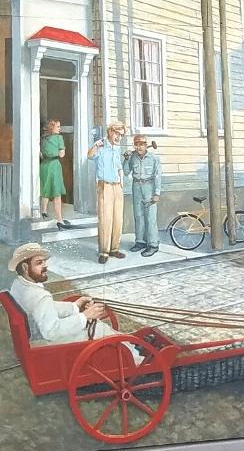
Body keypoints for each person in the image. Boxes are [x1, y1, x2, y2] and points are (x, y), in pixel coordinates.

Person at [8, 243, 143, 364]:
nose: (45, 266)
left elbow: (45, 309)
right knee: (98, 329)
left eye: (44, 261)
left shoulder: (19, 285)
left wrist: (74, 306)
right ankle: (136, 359)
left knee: (94, 325)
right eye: (39, 263)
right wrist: (85, 316)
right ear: (25, 267)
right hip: (46, 344)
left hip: (33, 339)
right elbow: (52, 332)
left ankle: (130, 346)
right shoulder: (39, 296)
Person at [88, 121, 126, 264]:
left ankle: (114, 249)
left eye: (121, 135)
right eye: (117, 134)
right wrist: (95, 145)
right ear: (110, 131)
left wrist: (122, 181)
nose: (119, 137)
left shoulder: (117, 148)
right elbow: (90, 156)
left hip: (117, 186)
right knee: (105, 219)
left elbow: (118, 166)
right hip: (105, 186)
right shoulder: (101, 145)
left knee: (118, 218)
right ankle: (104, 251)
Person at [123, 134, 161, 257]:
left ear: (146, 145)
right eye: (137, 145)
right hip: (136, 187)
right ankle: (140, 242)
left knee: (150, 217)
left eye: (142, 144)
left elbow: (157, 177)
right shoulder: (132, 157)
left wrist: (157, 193)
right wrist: (126, 159)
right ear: (134, 146)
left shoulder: (154, 158)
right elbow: (126, 172)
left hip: (149, 187)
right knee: (138, 216)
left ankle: (153, 244)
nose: (139, 147)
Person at [39, 119, 71, 230]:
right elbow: (62, 154)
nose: (60, 128)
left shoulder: (42, 139)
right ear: (51, 127)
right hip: (53, 166)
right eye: (57, 126)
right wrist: (54, 153)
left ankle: (43, 211)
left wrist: (47, 154)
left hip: (44, 165)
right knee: (57, 193)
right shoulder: (59, 138)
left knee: (46, 189)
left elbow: (41, 155)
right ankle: (60, 219)